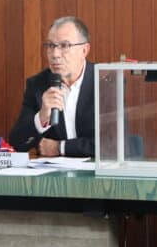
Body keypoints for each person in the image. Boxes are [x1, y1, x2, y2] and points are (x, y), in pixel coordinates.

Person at [9, 16, 94, 157]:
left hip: (96, 169)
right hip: (54, 171)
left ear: (84, 50)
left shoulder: (105, 82)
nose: (55, 54)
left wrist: (60, 147)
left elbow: (114, 143)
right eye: (50, 46)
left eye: (65, 46)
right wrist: (41, 117)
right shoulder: (38, 85)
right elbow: (17, 144)